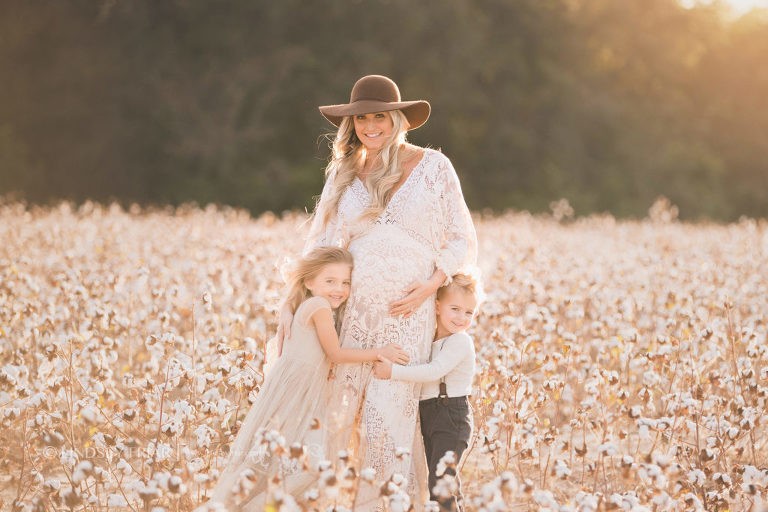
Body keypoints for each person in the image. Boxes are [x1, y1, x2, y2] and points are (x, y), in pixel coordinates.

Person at [278, 75, 477, 510]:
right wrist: (292, 302)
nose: (371, 126)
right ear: (352, 124)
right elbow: (320, 247)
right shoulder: (344, 172)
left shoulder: (434, 167)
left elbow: (461, 238)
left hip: (409, 315)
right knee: (341, 416)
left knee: (391, 415)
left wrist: (431, 285)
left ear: (398, 119)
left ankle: (389, 504)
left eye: (380, 117)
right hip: (352, 313)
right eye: (362, 118)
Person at [203, 247, 410, 510]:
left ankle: (252, 504)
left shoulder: (308, 303)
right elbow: (335, 353)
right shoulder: (319, 306)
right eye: (330, 281)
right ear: (309, 282)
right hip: (297, 393)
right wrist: (381, 352)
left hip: (295, 390)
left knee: (280, 458)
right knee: (305, 463)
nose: (340, 288)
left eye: (346, 282)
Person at [373, 273, 480, 512]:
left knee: (440, 482)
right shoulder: (429, 340)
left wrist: (393, 371)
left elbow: (434, 371)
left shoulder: (460, 342)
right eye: (455, 309)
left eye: (468, 312)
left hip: (451, 415)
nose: (461, 318)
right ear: (438, 307)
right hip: (432, 415)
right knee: (442, 479)